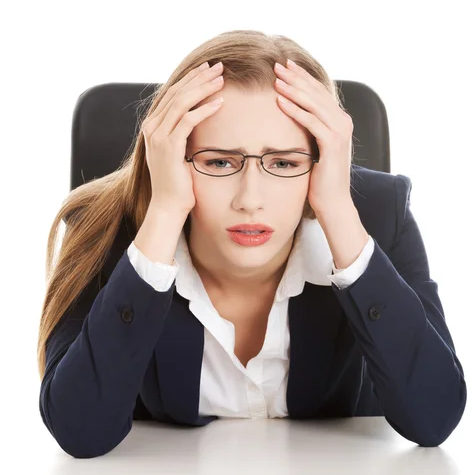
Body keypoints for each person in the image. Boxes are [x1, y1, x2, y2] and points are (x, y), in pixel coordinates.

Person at [37, 29, 467, 458]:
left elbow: (433, 418)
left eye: (284, 162)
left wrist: (337, 211)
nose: (250, 200)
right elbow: (80, 430)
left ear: (321, 162)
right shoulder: (104, 228)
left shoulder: (378, 218)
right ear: (173, 158)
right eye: (219, 161)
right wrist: (164, 211)